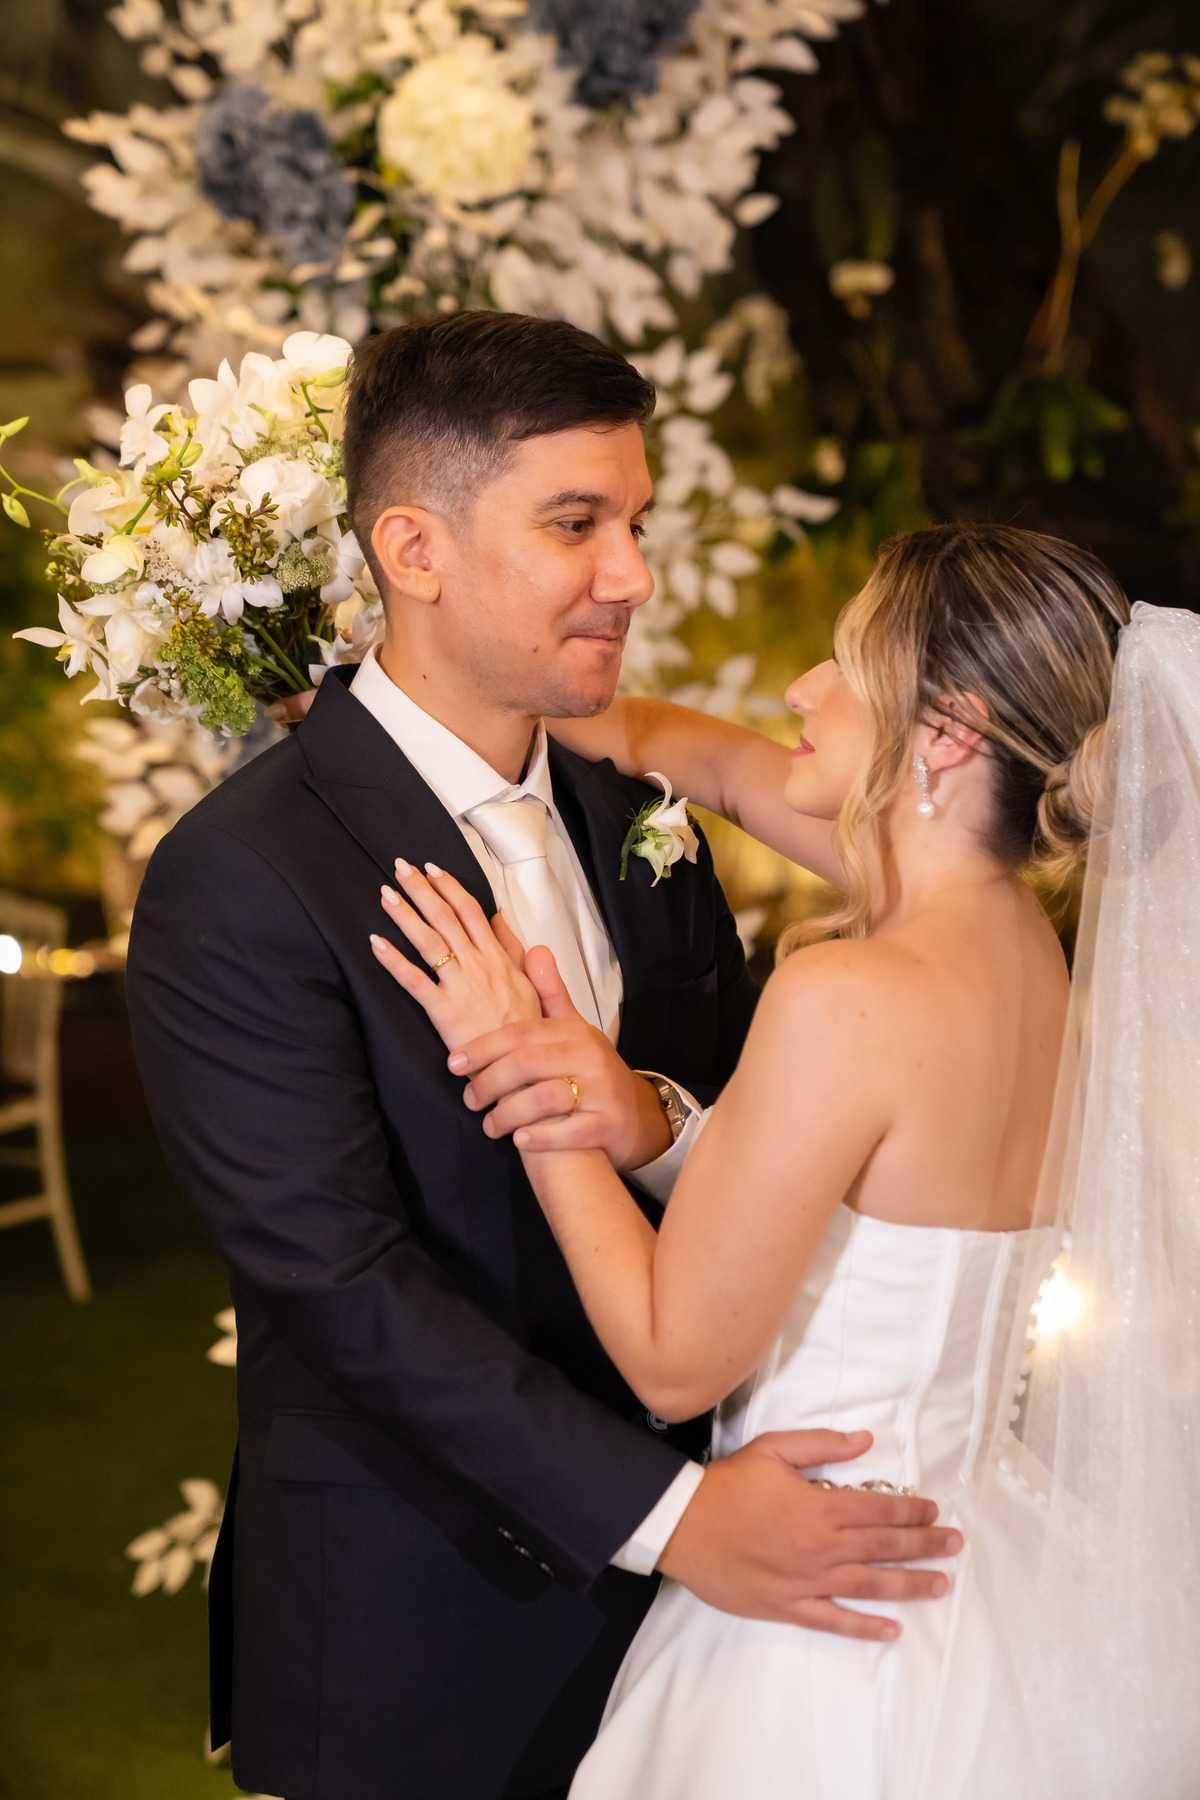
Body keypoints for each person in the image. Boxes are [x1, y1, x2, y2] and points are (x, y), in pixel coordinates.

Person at [124, 312, 958, 1800]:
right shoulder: (243, 874)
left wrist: (658, 1117)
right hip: (424, 1628)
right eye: (577, 525)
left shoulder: (640, 812)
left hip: (709, 1640)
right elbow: (340, 1285)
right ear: (413, 548)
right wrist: (673, 1516)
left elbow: (746, 1119)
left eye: (634, 522)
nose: (632, 575)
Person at [377, 523, 1199, 1798]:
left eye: (846, 666)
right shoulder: (1034, 963)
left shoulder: (851, 996)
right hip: (979, 1572)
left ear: (948, 734)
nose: (802, 692)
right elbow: (711, 758)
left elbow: (672, 1355)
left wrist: (533, 1074)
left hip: (818, 1601)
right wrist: (505, 703)